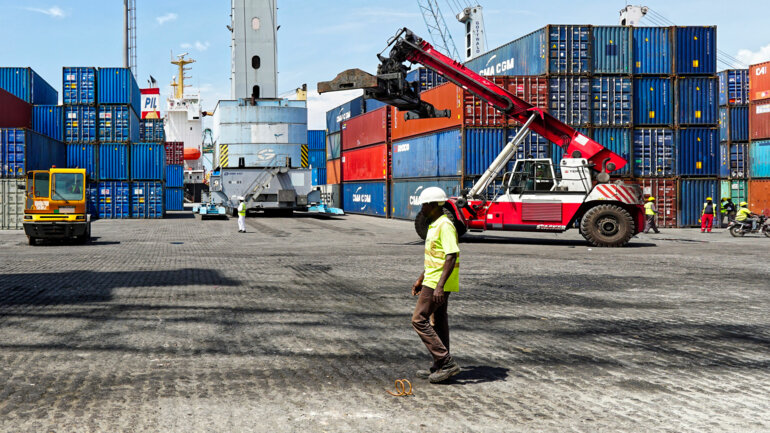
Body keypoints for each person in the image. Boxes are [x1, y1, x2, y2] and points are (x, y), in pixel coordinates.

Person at [411, 187, 461, 384]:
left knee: (418, 320)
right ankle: (439, 366)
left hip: (437, 282)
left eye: (424, 204)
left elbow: (451, 255)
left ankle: (447, 362)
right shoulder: (434, 225)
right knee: (438, 321)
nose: (422, 208)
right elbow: (436, 256)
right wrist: (420, 278)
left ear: (433, 205)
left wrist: (439, 286)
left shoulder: (445, 225)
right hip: (431, 279)